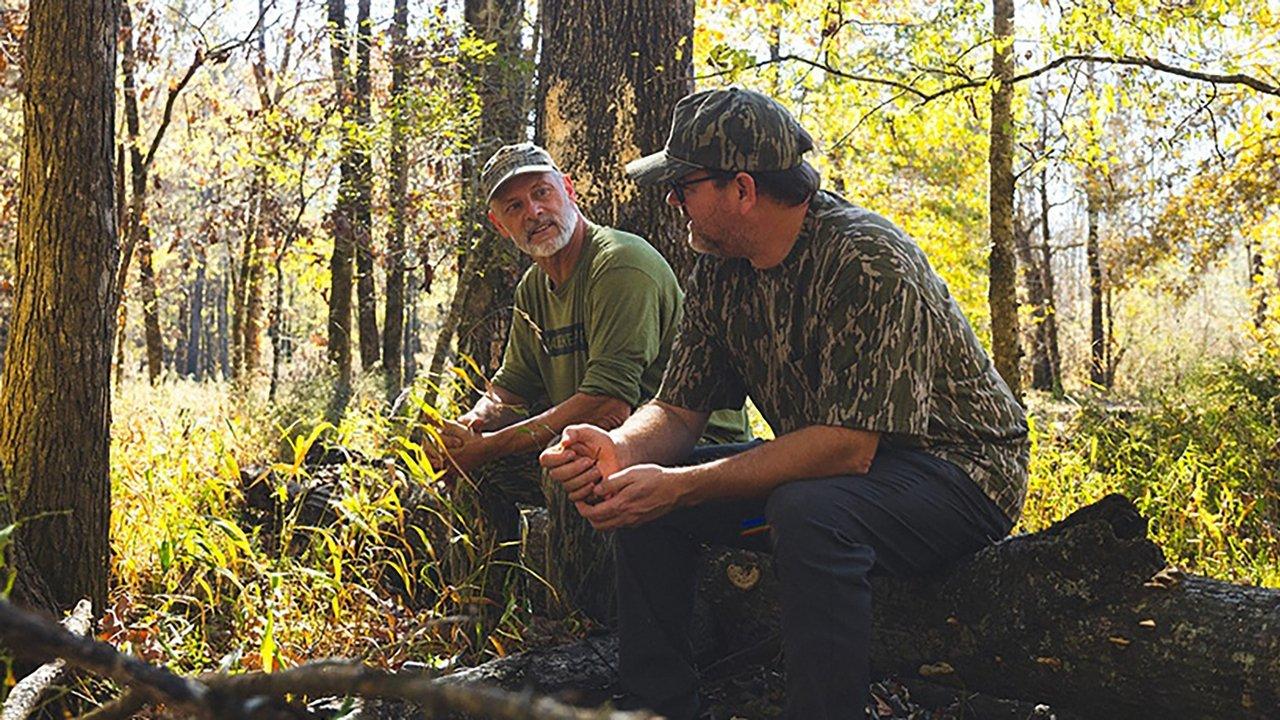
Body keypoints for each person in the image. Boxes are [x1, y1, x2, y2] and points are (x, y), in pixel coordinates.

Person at [541, 88, 1029, 719]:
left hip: (961, 473)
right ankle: (658, 708)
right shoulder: (720, 268)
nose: (671, 201)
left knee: (806, 510)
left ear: (742, 189)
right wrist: (621, 449)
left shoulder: (865, 257)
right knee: (643, 501)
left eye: (683, 184)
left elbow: (849, 448)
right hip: (844, 468)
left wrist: (684, 486)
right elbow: (680, 409)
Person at [436, 142, 750, 611]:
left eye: (543, 193)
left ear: (569, 190)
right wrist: (471, 426)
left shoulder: (619, 263)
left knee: (572, 470)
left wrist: (493, 444)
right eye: (515, 206)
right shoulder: (534, 288)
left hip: (690, 446)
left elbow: (608, 407)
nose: (534, 212)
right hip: (604, 442)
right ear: (499, 224)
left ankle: (586, 626)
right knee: (482, 472)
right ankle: (484, 615)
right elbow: (510, 388)